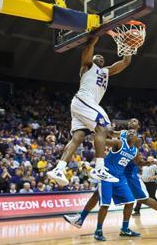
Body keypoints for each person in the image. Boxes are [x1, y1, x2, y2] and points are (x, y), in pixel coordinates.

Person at [47, 36, 132, 186]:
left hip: (84, 107)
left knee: (78, 138)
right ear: (92, 59)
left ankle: (59, 169)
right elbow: (88, 49)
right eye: (96, 56)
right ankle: (99, 168)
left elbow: (125, 62)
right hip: (84, 100)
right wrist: (95, 36)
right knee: (103, 128)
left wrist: (128, 47)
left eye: (102, 57)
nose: (99, 57)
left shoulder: (106, 71)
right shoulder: (87, 67)